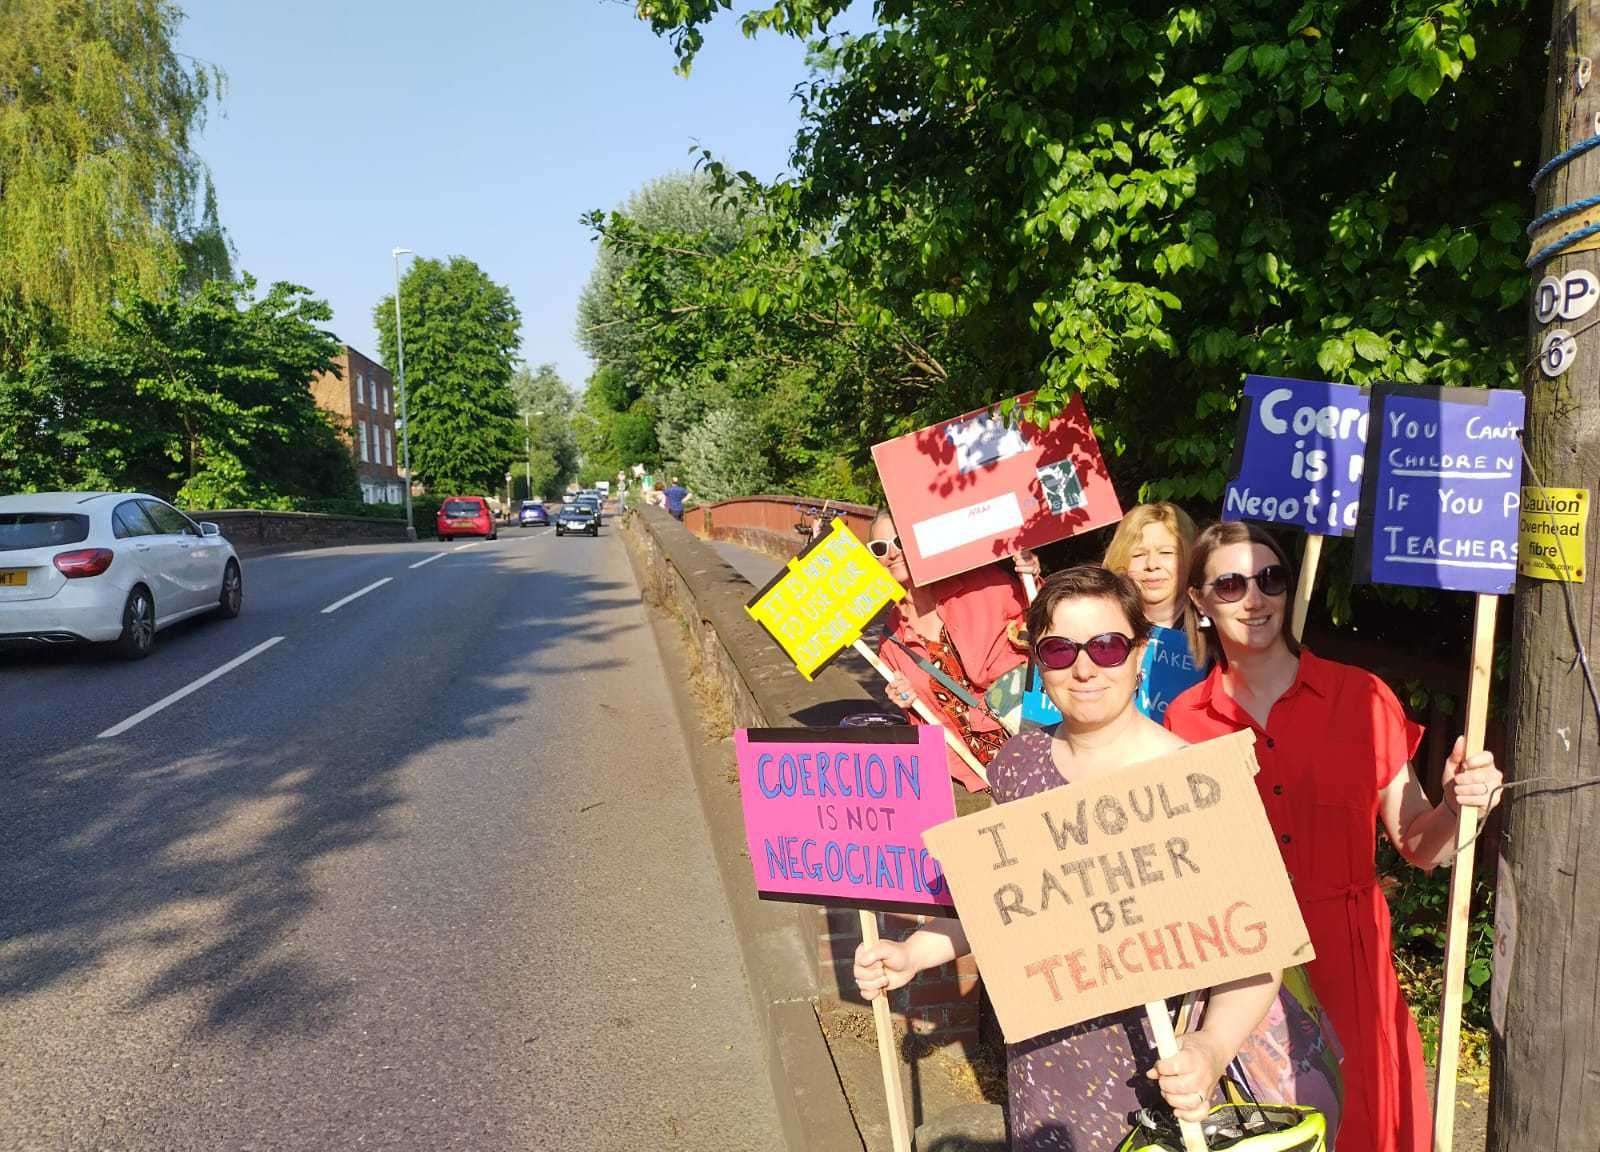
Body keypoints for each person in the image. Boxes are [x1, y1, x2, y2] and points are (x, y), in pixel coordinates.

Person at [855, 567, 1343, 1151]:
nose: (1084, 668)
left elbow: (1256, 952)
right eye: (1060, 650)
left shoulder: (1196, 782)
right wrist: (912, 952)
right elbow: (1000, 907)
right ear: (1038, 661)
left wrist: (1210, 1050)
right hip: (1045, 1067)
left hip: (1165, 1075)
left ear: (1139, 654)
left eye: (1108, 647)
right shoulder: (1017, 765)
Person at [1163, 521, 1503, 1152]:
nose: (1254, 598)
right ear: (1200, 603)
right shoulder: (1181, 721)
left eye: (1270, 579)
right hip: (1241, 967)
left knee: (1371, 1131)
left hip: (1352, 962)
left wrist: (1460, 807)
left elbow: (1420, 846)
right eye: (1231, 584)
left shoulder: (1363, 696)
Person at [869, 512, 1038, 791]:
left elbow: (1046, 624)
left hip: (1034, 745)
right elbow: (926, 720)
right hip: (974, 775)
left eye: (899, 541)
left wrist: (1030, 579)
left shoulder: (981, 585)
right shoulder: (890, 639)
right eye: (879, 548)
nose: (892, 553)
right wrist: (905, 700)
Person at [1101, 503, 1207, 723]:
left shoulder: (1213, 634)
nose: (1152, 565)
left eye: (1166, 553)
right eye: (1138, 554)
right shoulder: (1097, 625)